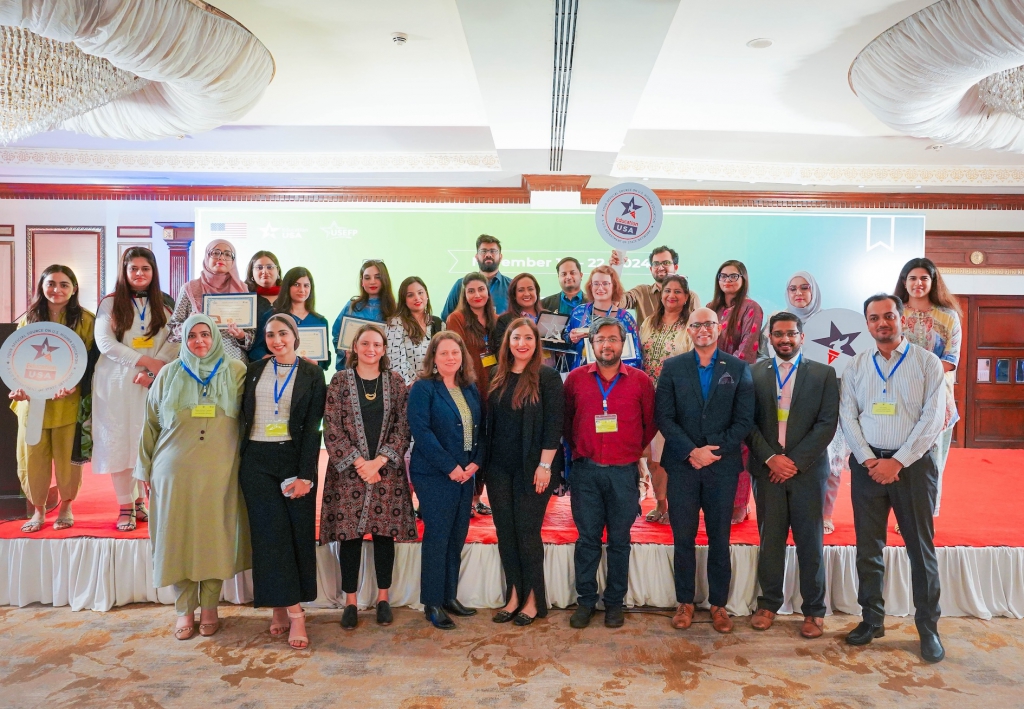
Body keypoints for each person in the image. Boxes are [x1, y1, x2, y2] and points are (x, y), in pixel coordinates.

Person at [840, 294, 946, 663]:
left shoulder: (927, 363)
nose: (882, 323)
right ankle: (872, 620)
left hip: (913, 468)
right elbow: (847, 417)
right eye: (874, 318)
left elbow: (933, 419)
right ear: (867, 324)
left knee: (920, 549)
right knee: (868, 549)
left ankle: (928, 629)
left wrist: (897, 461)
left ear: (902, 319)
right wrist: (870, 460)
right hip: (868, 467)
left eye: (889, 316)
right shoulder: (855, 366)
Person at [134, 314, 250, 641]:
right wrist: (143, 469)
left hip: (220, 471)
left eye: (205, 335)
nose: (200, 341)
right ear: (183, 340)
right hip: (173, 470)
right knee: (177, 538)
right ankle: (184, 609)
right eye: (193, 336)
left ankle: (210, 607)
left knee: (214, 536)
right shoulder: (169, 373)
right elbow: (151, 425)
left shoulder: (236, 371)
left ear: (215, 337)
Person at [654, 307, 754, 634]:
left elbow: (744, 421)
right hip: (683, 465)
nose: (703, 330)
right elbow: (665, 418)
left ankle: (718, 605)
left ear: (718, 327)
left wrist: (712, 450)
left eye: (708, 324)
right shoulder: (672, 367)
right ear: (689, 329)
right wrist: (692, 451)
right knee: (682, 537)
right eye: (696, 325)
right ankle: (685, 602)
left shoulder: (738, 368)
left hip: (721, 467)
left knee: (719, 539)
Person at [746, 312, 839, 638]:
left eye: (791, 333)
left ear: (801, 337)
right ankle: (768, 604)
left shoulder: (824, 374)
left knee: (810, 543)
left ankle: (814, 611)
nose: (785, 339)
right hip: (768, 471)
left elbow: (827, 424)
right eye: (778, 334)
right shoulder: (754, 373)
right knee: (770, 541)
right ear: (769, 338)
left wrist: (793, 462)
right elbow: (748, 423)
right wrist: (772, 459)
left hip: (808, 473)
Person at [321, 324, 416, 630]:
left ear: (384, 349)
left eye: (377, 344)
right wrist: (359, 463)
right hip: (348, 475)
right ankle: (350, 602)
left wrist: (378, 463)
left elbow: (404, 427)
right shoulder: (339, 381)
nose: (371, 349)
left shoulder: (396, 381)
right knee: (349, 538)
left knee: (384, 535)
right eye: (365, 343)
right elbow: (331, 426)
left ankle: (383, 598)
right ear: (355, 347)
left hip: (385, 473)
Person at [239, 314, 326, 649]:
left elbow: (313, 429)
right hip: (256, 462)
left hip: (293, 460)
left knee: (296, 535)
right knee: (269, 537)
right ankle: (292, 613)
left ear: (295, 336)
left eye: (283, 334)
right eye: (271, 335)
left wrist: (307, 475)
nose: (277, 340)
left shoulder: (312, 373)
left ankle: (282, 606)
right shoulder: (255, 370)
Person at [564, 317, 656, 629]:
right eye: (600, 339)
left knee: (620, 540)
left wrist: (628, 450)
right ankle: (586, 601)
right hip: (586, 473)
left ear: (623, 342)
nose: (607, 344)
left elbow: (650, 424)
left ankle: (614, 603)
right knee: (587, 539)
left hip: (623, 473)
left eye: (613, 339)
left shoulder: (640, 381)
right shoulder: (575, 380)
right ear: (591, 344)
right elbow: (566, 423)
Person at [484, 318, 564, 626]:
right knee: (506, 534)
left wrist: (545, 466)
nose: (522, 343)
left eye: (528, 338)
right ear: (508, 342)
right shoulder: (496, 375)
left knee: (528, 534)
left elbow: (554, 425)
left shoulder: (547, 377)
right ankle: (514, 595)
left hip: (534, 469)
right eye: (516, 338)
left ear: (535, 343)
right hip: (498, 469)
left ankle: (533, 600)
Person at [92, 248, 176, 531]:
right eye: (134, 269)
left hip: (152, 382)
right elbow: (105, 343)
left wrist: (155, 369)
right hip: (115, 383)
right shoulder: (110, 303)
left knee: (147, 440)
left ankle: (141, 501)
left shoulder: (164, 305)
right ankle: (125, 505)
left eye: (145, 268)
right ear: (124, 272)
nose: (139, 274)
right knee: (120, 441)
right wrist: (145, 362)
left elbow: (174, 342)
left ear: (154, 272)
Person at [9, 265, 96, 532]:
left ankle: (66, 506)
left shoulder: (86, 320)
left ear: (74, 288)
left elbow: (92, 362)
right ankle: (38, 510)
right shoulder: (29, 319)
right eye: (51, 284)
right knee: (33, 456)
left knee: (67, 458)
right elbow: (16, 359)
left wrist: (75, 385)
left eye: (64, 284)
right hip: (33, 402)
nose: (56, 290)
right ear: (41, 287)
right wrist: (17, 387)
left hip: (67, 403)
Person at [408, 332, 484, 629]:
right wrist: (450, 466)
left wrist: (476, 462)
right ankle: (432, 602)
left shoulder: (470, 388)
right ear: (433, 358)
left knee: (456, 537)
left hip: (466, 474)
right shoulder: (423, 388)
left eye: (456, 352)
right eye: (444, 353)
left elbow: (481, 429)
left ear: (463, 356)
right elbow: (421, 433)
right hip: (434, 474)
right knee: (438, 538)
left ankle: (449, 595)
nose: (451, 358)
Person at [893, 257, 962, 517]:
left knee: (932, 465)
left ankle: (925, 515)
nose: (918, 283)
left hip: (937, 403)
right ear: (904, 281)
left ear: (933, 282)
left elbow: (951, 360)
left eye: (924, 278)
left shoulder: (948, 316)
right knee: (900, 461)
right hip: (899, 400)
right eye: (912, 278)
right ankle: (902, 516)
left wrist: (916, 374)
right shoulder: (895, 314)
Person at [709, 259, 763, 524]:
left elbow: (747, 349)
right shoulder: (710, 309)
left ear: (743, 278)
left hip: (738, 385)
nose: (728, 280)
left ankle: (740, 504)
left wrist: (724, 380)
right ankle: (718, 498)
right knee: (714, 443)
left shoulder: (751, 308)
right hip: (709, 387)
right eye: (723, 275)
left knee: (739, 446)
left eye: (734, 275)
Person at [639, 274, 694, 524]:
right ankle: (661, 504)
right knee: (652, 457)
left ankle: (678, 506)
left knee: (672, 457)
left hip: (677, 400)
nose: (671, 295)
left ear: (686, 297)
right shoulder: (649, 322)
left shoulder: (691, 325)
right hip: (647, 398)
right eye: (667, 291)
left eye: (678, 292)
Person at [445, 272, 498, 517]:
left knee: (487, 447)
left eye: (481, 290)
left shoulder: (496, 320)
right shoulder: (457, 319)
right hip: (468, 391)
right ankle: (464, 498)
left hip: (495, 391)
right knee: (468, 444)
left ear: (488, 293)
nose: (477, 295)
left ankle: (477, 498)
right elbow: (457, 355)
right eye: (471, 291)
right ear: (464, 295)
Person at [168, 239, 253, 362]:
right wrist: (190, 324)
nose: (221, 258)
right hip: (197, 363)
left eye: (228, 254)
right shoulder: (190, 288)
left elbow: (251, 337)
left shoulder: (243, 289)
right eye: (215, 252)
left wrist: (240, 335)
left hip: (233, 364)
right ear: (207, 256)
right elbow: (172, 333)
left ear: (233, 261)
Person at [250, 267, 332, 370]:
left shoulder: (320, 321)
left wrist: (317, 364)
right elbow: (256, 350)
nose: (302, 290)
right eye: (296, 285)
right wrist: (270, 358)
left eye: (306, 285)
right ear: (287, 287)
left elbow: (326, 358)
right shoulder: (272, 316)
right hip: (277, 373)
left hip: (308, 376)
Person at [566, 266, 642, 370]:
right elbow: (564, 343)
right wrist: (570, 338)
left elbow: (636, 356)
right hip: (582, 377)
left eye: (605, 283)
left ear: (614, 286)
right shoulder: (578, 313)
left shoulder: (625, 318)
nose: (600, 288)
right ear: (590, 286)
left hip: (615, 379)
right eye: (596, 283)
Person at [331, 259, 396, 371]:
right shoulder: (351, 306)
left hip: (383, 369)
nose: (372, 282)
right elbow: (337, 335)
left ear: (385, 280)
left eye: (377, 277)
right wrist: (346, 352)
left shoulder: (394, 310)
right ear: (362, 282)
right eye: (367, 278)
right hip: (352, 368)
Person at [385, 276, 444, 386]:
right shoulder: (395, 324)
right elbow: (394, 363)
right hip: (408, 388)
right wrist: (413, 384)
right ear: (404, 300)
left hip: (437, 385)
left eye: (420, 293)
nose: (417, 298)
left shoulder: (438, 323)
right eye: (410, 295)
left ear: (427, 295)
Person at [440, 235, 511, 319]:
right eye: (483, 251)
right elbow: (446, 317)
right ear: (476, 257)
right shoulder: (461, 284)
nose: (488, 255)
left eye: (493, 251)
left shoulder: (511, 285)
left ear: (500, 256)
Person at [245, 250, 284, 359]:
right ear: (251, 273)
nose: (265, 271)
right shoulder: (245, 299)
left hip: (289, 361)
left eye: (270, 267)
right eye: (259, 267)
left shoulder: (289, 297)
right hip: (253, 362)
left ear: (278, 271)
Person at [493, 273, 544, 346]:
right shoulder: (504, 321)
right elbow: (500, 351)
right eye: (521, 290)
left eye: (530, 289)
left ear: (537, 292)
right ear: (514, 295)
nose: (526, 294)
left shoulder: (548, 316)